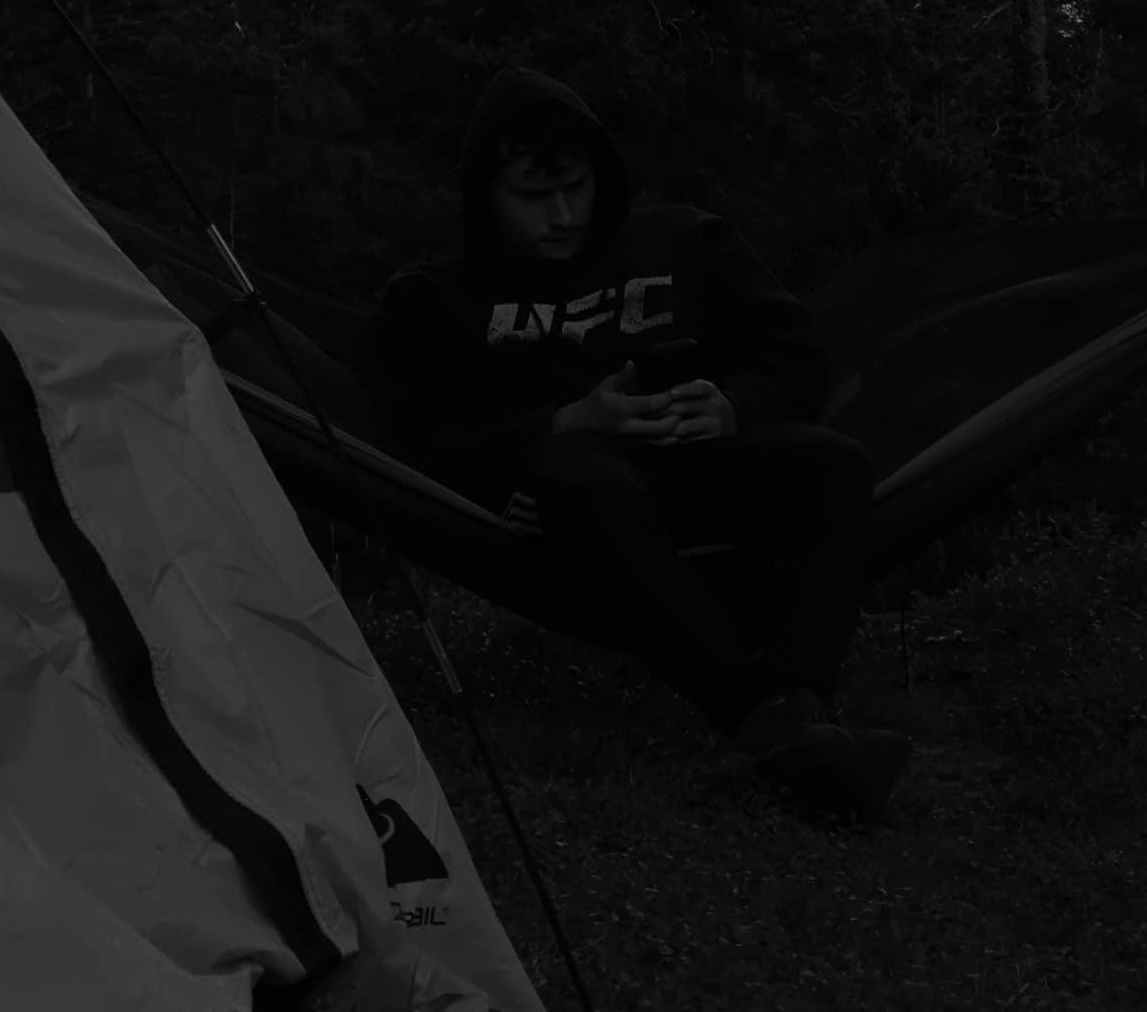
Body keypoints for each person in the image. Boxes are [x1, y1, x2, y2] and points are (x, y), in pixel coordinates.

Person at [366, 67, 902, 821]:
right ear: (484, 195)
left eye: (576, 187)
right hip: (574, 504)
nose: (561, 214)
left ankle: (798, 714)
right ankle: (776, 726)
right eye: (531, 195)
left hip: (704, 462)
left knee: (832, 464)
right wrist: (566, 423)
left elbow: (797, 354)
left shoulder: (684, 242)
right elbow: (415, 448)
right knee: (583, 478)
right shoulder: (433, 300)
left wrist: (733, 405)